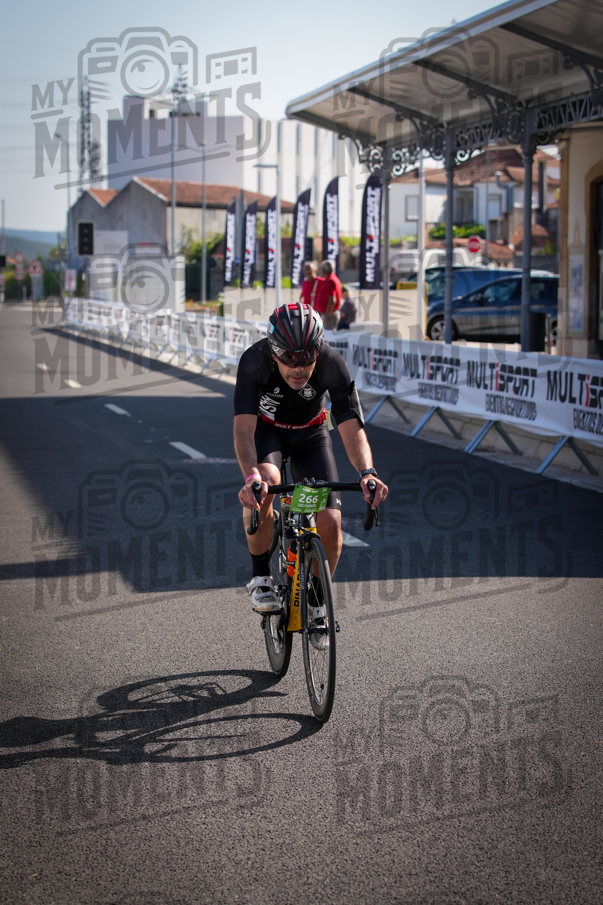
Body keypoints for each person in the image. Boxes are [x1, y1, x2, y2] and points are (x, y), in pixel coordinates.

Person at [233, 302, 388, 643]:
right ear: (273, 351)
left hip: (311, 435)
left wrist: (367, 472)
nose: (298, 366)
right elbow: (243, 431)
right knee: (266, 484)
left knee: (330, 522)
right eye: (288, 357)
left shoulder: (332, 363)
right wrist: (251, 478)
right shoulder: (254, 361)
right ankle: (260, 575)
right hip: (267, 433)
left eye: (307, 356)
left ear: (319, 348)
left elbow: (350, 423)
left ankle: (317, 602)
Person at [314, 260, 341, 330]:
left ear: (322, 270)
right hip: (329, 314)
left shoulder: (330, 281)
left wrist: (327, 315)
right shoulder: (331, 279)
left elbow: (332, 300)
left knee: (328, 337)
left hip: (330, 315)